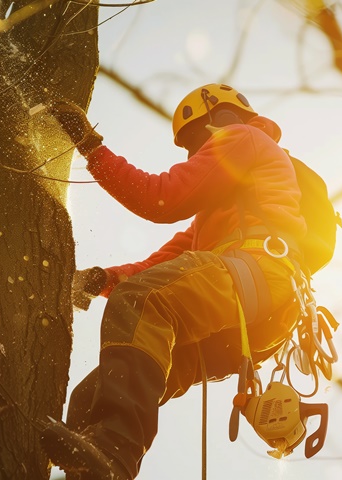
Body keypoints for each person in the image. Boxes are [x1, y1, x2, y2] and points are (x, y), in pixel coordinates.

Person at [40, 83, 307, 479]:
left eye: (195, 140)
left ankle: (116, 452)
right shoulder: (217, 219)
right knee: (88, 400)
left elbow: (160, 198)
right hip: (247, 319)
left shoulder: (242, 137)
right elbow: (166, 262)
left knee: (141, 300)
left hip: (259, 273)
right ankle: (95, 469)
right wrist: (103, 280)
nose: (194, 154)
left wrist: (90, 146)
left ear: (220, 116)